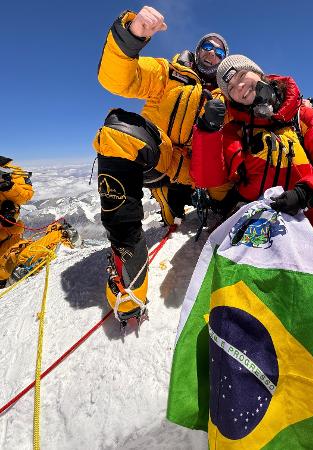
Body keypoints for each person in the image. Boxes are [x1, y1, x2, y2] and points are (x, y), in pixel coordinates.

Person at [93, 6, 230, 323]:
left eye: (219, 50)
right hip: (163, 159)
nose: (211, 53)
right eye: (206, 47)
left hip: (204, 171)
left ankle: (224, 212)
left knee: (224, 196)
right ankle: (129, 266)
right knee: (118, 132)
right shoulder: (170, 73)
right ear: (197, 52)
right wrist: (131, 37)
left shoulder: (226, 95)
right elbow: (119, 79)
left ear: (225, 60)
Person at [190, 54, 313, 247]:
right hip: (254, 227)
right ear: (231, 99)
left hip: (310, 220)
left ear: (258, 73)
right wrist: (208, 132)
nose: (239, 87)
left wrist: (305, 195)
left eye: (242, 75)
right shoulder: (234, 131)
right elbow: (210, 181)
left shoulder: (304, 117)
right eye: (230, 88)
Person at [0, 157, 78, 287]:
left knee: (13, 260)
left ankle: (59, 234)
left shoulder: (11, 169)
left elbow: (26, 194)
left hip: (8, 234)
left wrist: (8, 185)